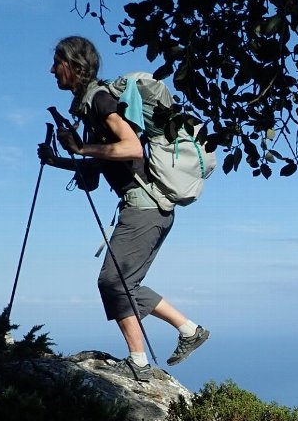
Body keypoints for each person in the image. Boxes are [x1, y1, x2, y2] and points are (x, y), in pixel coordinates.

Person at [37, 35, 209, 383]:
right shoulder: (92, 106)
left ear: (73, 66)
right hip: (149, 208)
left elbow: (132, 149)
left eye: (57, 62)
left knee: (113, 282)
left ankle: (140, 362)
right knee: (121, 282)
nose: (51, 69)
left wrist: (83, 148)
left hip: (144, 208)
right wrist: (57, 159)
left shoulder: (100, 100)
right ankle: (188, 331)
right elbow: (99, 171)